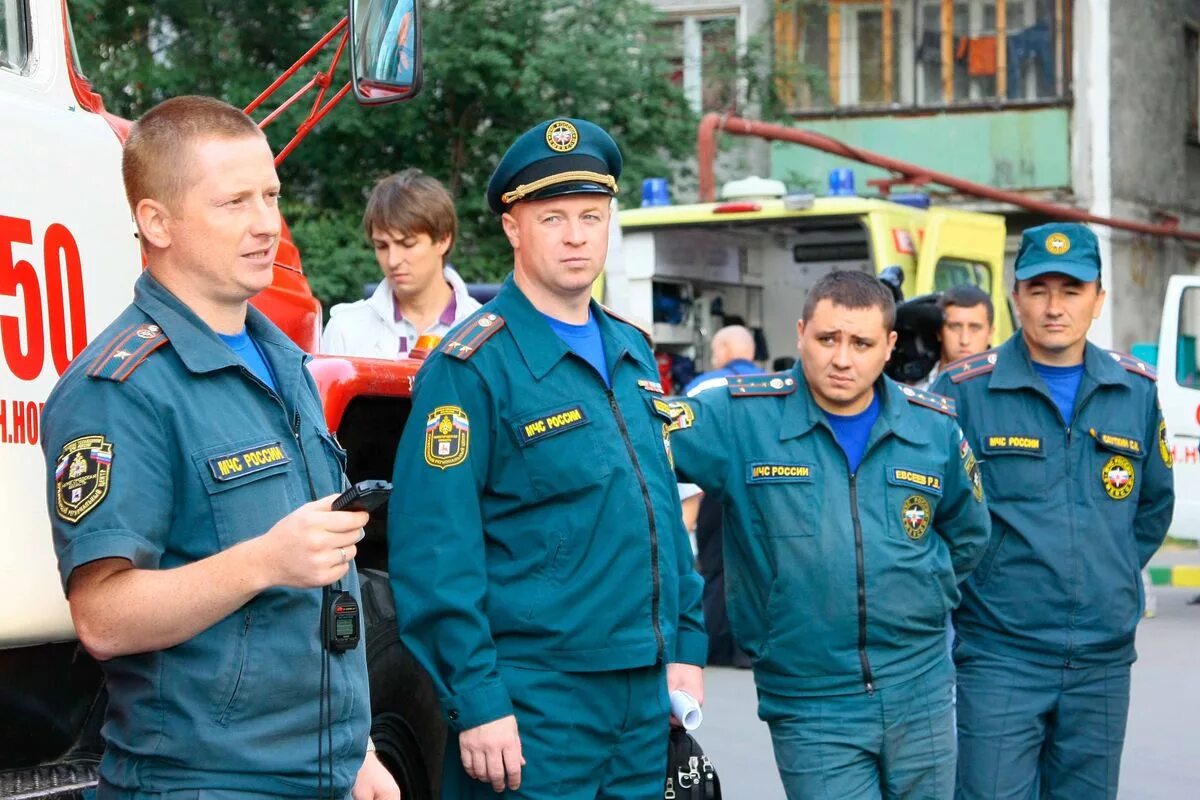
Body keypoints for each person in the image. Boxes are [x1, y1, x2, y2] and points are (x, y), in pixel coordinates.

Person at [40, 96, 397, 798]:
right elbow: (103, 619)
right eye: (234, 202)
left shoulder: (285, 363)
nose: (267, 224)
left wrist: (357, 752)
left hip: (323, 774)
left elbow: (322, 600)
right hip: (201, 783)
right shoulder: (121, 389)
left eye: (271, 196)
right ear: (156, 221)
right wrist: (265, 561)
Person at [387, 117, 706, 799]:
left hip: (641, 696)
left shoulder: (631, 350)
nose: (575, 235)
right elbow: (435, 552)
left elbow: (659, 508)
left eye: (592, 216)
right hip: (534, 703)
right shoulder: (472, 366)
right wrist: (476, 699)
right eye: (552, 217)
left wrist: (685, 647)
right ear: (512, 227)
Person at [670, 270, 991, 799]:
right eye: (827, 339)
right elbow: (634, 448)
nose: (843, 359)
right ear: (801, 333)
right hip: (809, 696)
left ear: (889, 346)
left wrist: (922, 590)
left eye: (861, 343)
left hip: (921, 686)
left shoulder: (932, 428)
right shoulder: (740, 416)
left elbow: (969, 533)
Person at [933, 222, 1175, 800]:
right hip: (999, 656)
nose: (1054, 307)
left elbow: (1152, 506)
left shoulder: (1134, 391)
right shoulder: (965, 391)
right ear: (1016, 298)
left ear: (1098, 300)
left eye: (1071, 290)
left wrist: (1105, 571)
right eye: (1038, 289)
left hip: (1102, 660)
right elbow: (935, 515)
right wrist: (985, 582)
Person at [321, 168, 480, 359]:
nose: (393, 260)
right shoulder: (346, 329)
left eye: (407, 244)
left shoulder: (484, 331)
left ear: (443, 240)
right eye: (381, 246)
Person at [680, 324, 760, 668]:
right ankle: (750, 650)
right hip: (765, 490)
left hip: (716, 491)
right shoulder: (776, 383)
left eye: (714, 352)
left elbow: (686, 441)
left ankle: (715, 648)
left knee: (716, 569)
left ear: (726, 350)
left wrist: (688, 508)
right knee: (759, 569)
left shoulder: (705, 385)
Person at [913, 285, 995, 389]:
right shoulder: (912, 390)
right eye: (955, 327)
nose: (964, 340)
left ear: (990, 333)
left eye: (975, 328)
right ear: (939, 332)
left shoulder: (1004, 396)